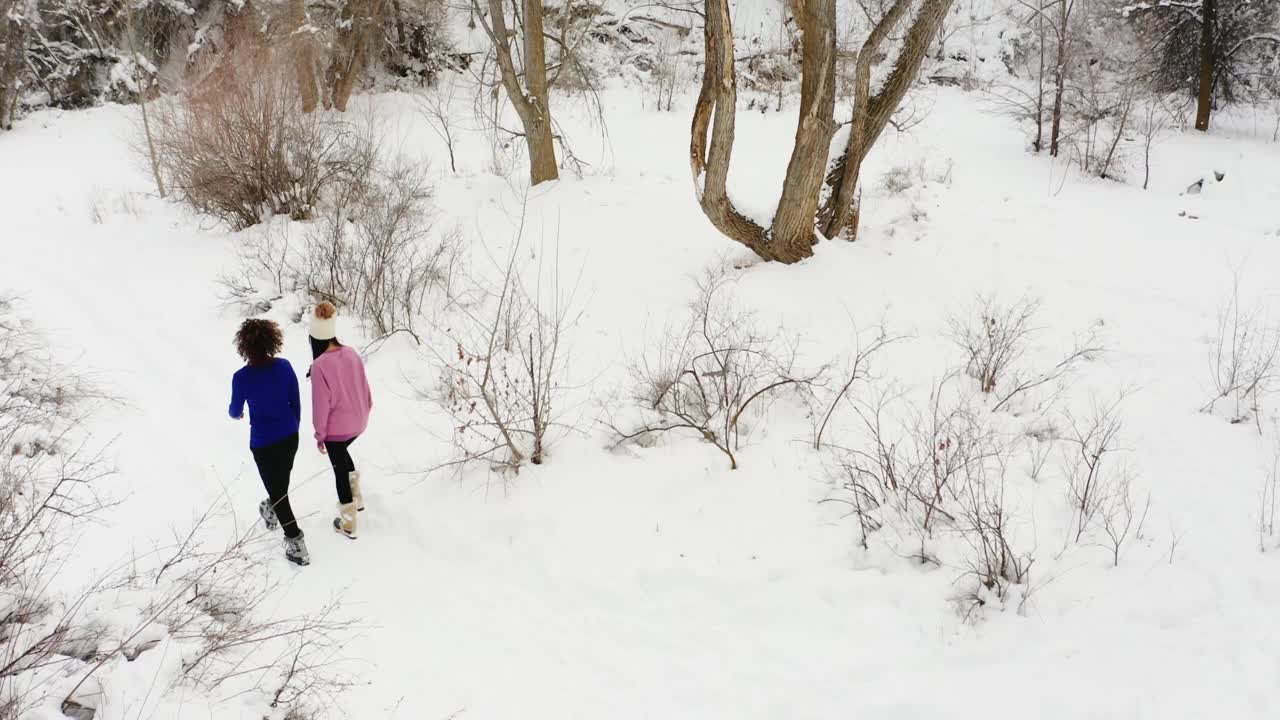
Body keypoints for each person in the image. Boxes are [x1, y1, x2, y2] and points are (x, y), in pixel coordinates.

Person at [229, 319, 309, 566]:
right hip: (289, 437)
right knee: (279, 487)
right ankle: (270, 507)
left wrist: (239, 414)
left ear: (244, 347)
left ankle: (296, 543)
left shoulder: (241, 378)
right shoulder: (284, 367)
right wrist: (292, 427)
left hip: (263, 443)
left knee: (279, 493)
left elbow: (234, 410)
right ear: (271, 341)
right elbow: (295, 403)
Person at [308, 302, 372, 539]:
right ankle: (358, 498)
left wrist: (320, 435)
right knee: (343, 452)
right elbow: (365, 387)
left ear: (314, 338)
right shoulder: (352, 353)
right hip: (360, 421)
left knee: (339, 470)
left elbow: (320, 407)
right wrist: (366, 409)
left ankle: (348, 523)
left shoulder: (319, 365)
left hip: (337, 428)